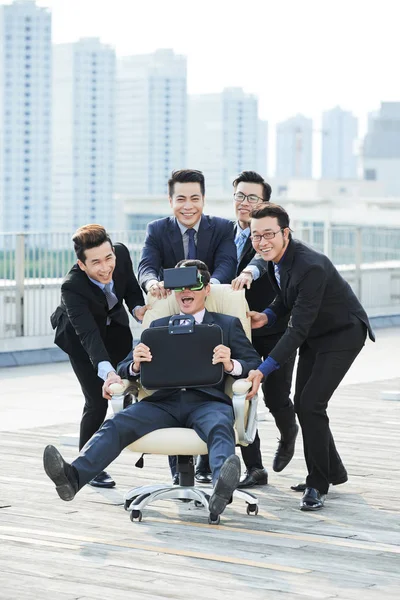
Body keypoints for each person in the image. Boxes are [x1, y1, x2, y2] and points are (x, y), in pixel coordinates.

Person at [43, 260, 261, 520]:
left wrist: (231, 363)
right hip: (161, 403)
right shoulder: (157, 327)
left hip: (207, 402)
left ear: (207, 290)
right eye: (179, 287)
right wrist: (135, 364)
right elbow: (124, 366)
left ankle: (220, 490)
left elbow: (253, 363)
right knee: (117, 423)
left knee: (219, 426)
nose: (185, 292)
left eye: (193, 285)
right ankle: (73, 478)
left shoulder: (226, 325)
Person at [245, 204, 375, 511]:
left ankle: (318, 483)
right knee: (304, 401)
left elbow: (296, 330)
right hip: (316, 334)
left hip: (343, 332)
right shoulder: (275, 260)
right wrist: (266, 315)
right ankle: (332, 470)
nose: (262, 242)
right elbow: (285, 298)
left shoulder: (310, 266)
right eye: (256, 235)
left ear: (285, 233)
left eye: (269, 234)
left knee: (310, 403)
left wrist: (263, 370)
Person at [138, 168, 237, 483]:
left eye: (195, 198)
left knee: (211, 384)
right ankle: (179, 474)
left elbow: (226, 263)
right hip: (172, 315)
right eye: (181, 198)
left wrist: (206, 287)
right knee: (174, 381)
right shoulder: (157, 230)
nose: (188, 205)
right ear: (170, 200)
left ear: (203, 199)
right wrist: (152, 282)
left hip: (210, 311)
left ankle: (215, 467)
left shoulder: (222, 227)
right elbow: (146, 265)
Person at [50, 224, 146, 488]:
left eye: (108, 258)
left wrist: (138, 309)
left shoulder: (122, 254)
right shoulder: (72, 287)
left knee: (132, 382)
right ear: (82, 265)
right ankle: (87, 466)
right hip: (82, 341)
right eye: (96, 263)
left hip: (115, 330)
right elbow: (88, 336)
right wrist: (108, 372)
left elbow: (131, 289)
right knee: (96, 402)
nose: (105, 268)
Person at [230, 171, 298, 489]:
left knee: (277, 398)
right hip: (236, 332)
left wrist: (247, 273)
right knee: (241, 397)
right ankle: (254, 467)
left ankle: (293, 437)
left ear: (265, 203)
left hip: (274, 327)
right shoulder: (221, 234)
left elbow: (258, 260)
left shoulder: (271, 235)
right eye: (240, 196)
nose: (245, 203)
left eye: (252, 197)